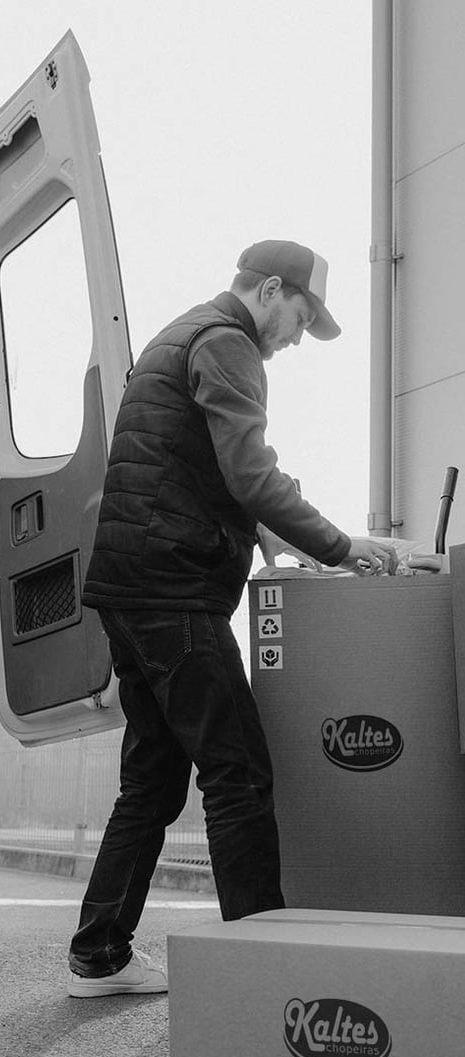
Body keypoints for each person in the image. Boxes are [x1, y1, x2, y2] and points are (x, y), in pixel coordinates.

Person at [67, 239, 397, 998]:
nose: (293, 341)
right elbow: (251, 470)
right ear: (272, 291)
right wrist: (342, 547)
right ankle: (264, 967)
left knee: (152, 783)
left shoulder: (180, 335)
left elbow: (206, 471)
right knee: (238, 774)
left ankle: (98, 954)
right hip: (173, 593)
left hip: (129, 587)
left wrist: (287, 541)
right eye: (300, 319)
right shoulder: (228, 342)